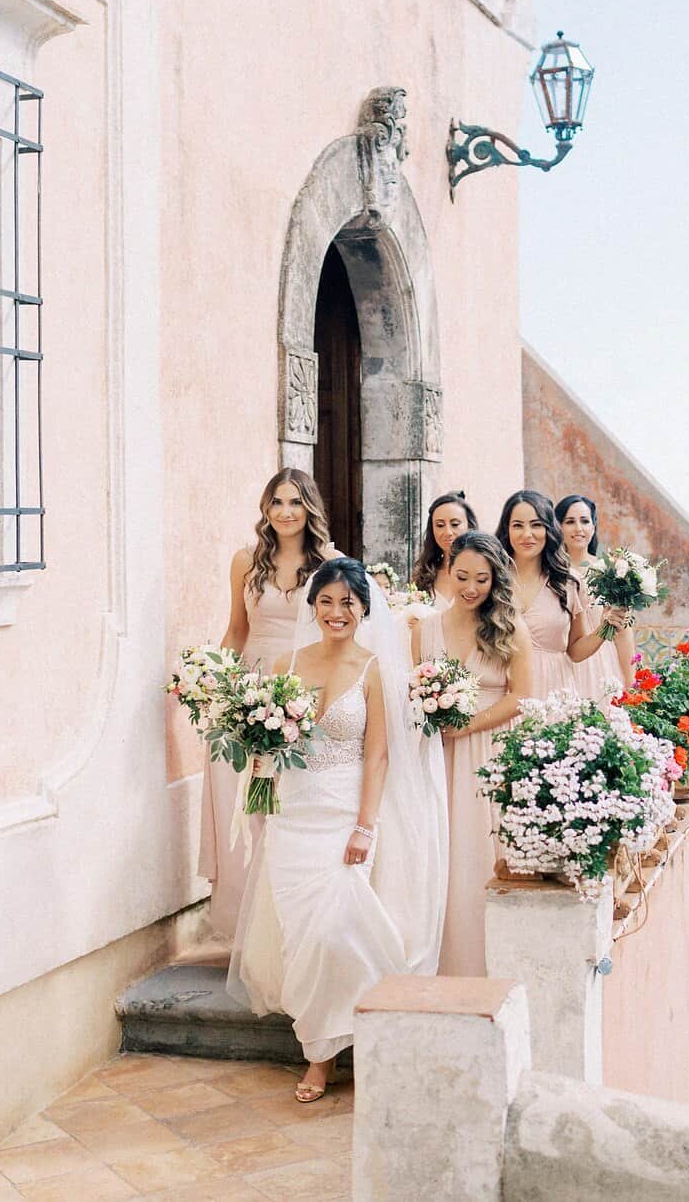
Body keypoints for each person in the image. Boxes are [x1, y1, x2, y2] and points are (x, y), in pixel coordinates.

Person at [228, 558, 447, 1102]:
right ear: (313, 608)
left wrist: (365, 829)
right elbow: (265, 749)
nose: (336, 612)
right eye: (326, 601)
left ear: (364, 609)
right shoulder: (286, 662)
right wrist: (261, 792)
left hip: (345, 819)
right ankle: (318, 1057)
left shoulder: (375, 669)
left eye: (347, 602)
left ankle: (382, 1032)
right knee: (302, 939)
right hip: (291, 820)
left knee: (338, 933)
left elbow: (377, 759)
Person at [198, 468, 333, 939]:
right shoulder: (245, 562)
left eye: (295, 502)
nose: (286, 512)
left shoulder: (329, 563)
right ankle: (248, 926)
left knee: (289, 805)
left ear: (310, 508)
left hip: (300, 694)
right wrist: (212, 682)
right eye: (277, 502)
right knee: (251, 804)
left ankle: (288, 921)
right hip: (249, 694)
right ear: (265, 508)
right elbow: (237, 629)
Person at [411, 532, 533, 976]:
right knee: (440, 853)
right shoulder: (424, 630)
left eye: (481, 579)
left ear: (495, 578)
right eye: (462, 576)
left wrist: (464, 727)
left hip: (488, 752)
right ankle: (440, 962)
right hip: (436, 757)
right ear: (447, 569)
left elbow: (521, 696)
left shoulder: (510, 627)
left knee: (481, 854)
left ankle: (490, 965)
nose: (470, 587)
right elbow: (410, 689)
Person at [495, 490, 630, 698]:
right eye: (518, 525)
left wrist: (605, 628)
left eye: (536, 524)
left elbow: (575, 651)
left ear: (549, 529)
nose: (527, 534)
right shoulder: (492, 580)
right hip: (501, 693)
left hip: (554, 694)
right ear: (507, 530)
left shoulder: (568, 582)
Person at [555, 493, 634, 696]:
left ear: (594, 526)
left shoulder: (611, 569)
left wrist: (630, 682)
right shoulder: (551, 572)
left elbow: (623, 631)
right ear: (558, 527)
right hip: (561, 663)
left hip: (603, 662)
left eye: (584, 521)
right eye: (570, 521)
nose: (578, 528)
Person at [409, 491, 478, 610]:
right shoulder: (423, 574)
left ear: (469, 526)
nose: (448, 532)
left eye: (455, 524)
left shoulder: (485, 571)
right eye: (440, 525)